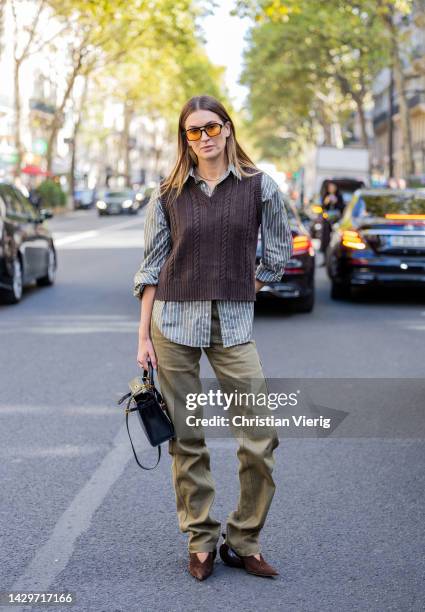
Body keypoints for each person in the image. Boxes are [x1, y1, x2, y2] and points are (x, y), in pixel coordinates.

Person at [132, 94, 293, 581]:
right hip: (173, 324)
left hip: (234, 325)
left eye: (211, 127)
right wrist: (143, 338)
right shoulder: (167, 194)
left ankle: (243, 538)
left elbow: (279, 252)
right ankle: (200, 539)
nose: (204, 138)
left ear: (228, 128)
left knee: (260, 438)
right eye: (193, 131)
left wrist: (248, 287)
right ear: (185, 138)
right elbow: (151, 268)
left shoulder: (260, 187)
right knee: (186, 439)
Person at [319, 181, 344, 265]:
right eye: (330, 187)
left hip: (336, 221)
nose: (331, 189)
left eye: (333, 187)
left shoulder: (339, 196)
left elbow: (342, 208)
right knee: (325, 239)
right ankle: (325, 260)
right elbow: (322, 208)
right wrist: (326, 202)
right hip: (327, 221)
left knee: (335, 240)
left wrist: (336, 202)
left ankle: (335, 259)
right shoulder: (326, 196)